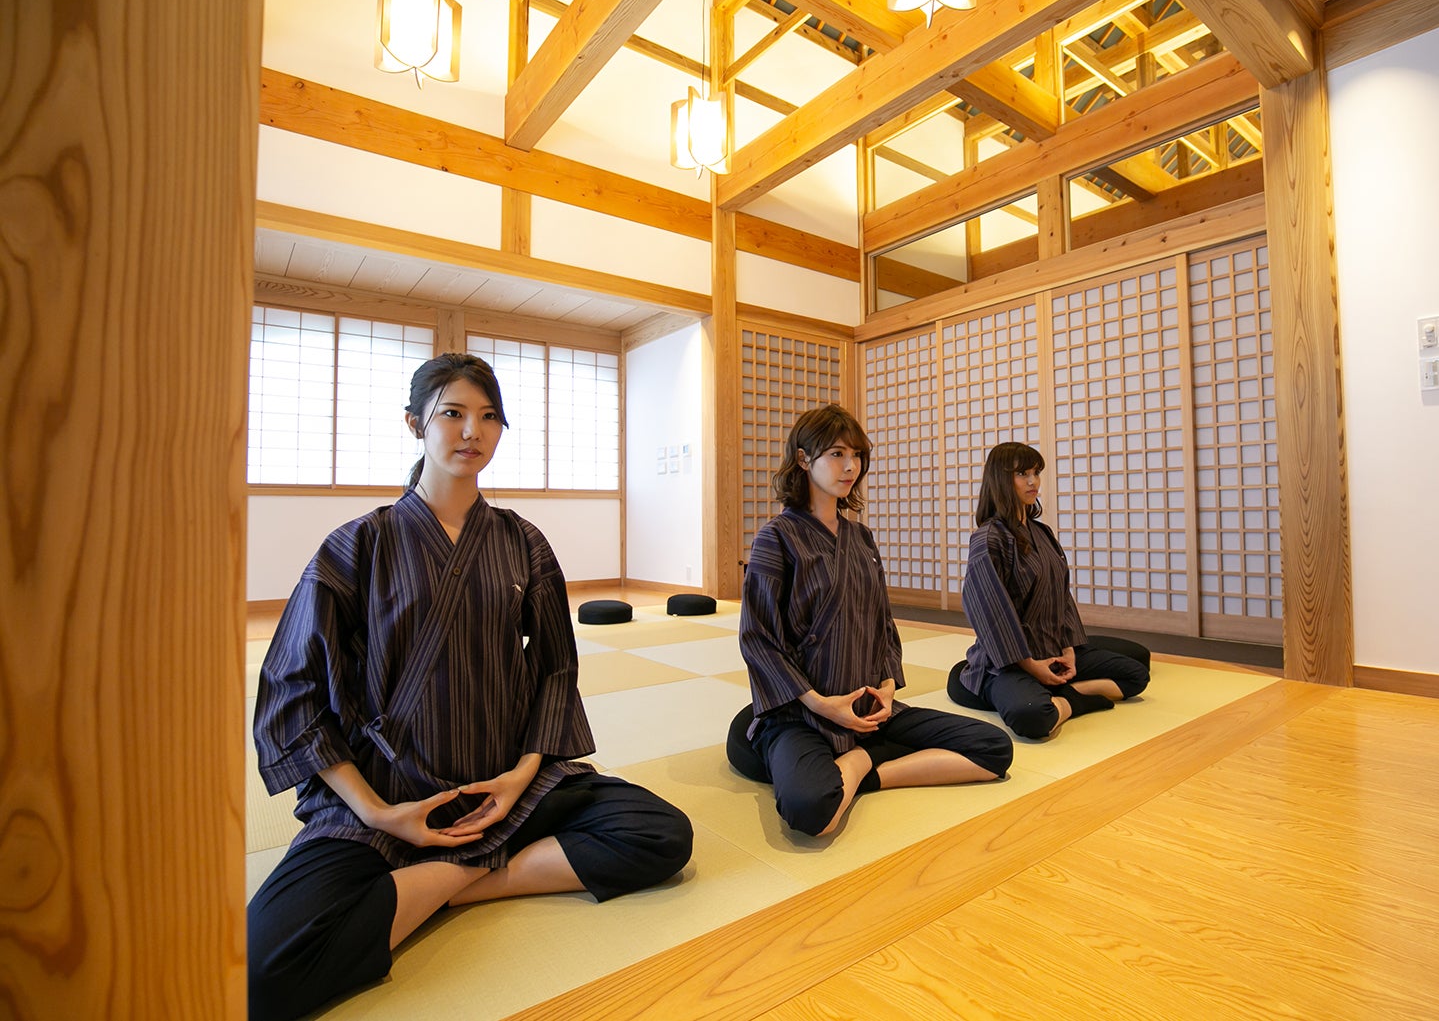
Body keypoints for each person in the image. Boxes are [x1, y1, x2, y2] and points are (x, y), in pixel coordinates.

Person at [248, 353, 692, 1021]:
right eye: (452, 413)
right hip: (389, 802)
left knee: (661, 833)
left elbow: (554, 671)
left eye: (488, 417)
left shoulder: (522, 542)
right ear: (414, 424)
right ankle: (468, 864)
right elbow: (293, 689)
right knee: (262, 974)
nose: (470, 431)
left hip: (504, 789)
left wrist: (521, 776)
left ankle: (450, 881)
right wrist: (373, 811)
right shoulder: (358, 544)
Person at [728, 404, 1013, 837]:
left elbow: (882, 622)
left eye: (858, 455)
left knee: (993, 748)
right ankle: (866, 755)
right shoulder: (776, 538)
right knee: (811, 812)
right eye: (837, 454)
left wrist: (885, 687)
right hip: (804, 713)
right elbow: (759, 639)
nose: (851, 467)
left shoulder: (861, 537)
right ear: (804, 459)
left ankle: (863, 766)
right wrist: (821, 704)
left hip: (869, 706)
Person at [952, 441, 1151, 740]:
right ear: (1001, 480)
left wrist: (1068, 650)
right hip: (1008, 662)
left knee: (1136, 674)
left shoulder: (1041, 532)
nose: (1033, 482)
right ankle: (1068, 700)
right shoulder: (988, 538)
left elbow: (1062, 596)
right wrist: (1031, 666)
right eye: (1022, 474)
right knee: (1031, 716)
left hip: (1053, 650)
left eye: (1036, 472)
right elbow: (990, 614)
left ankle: (1062, 694)